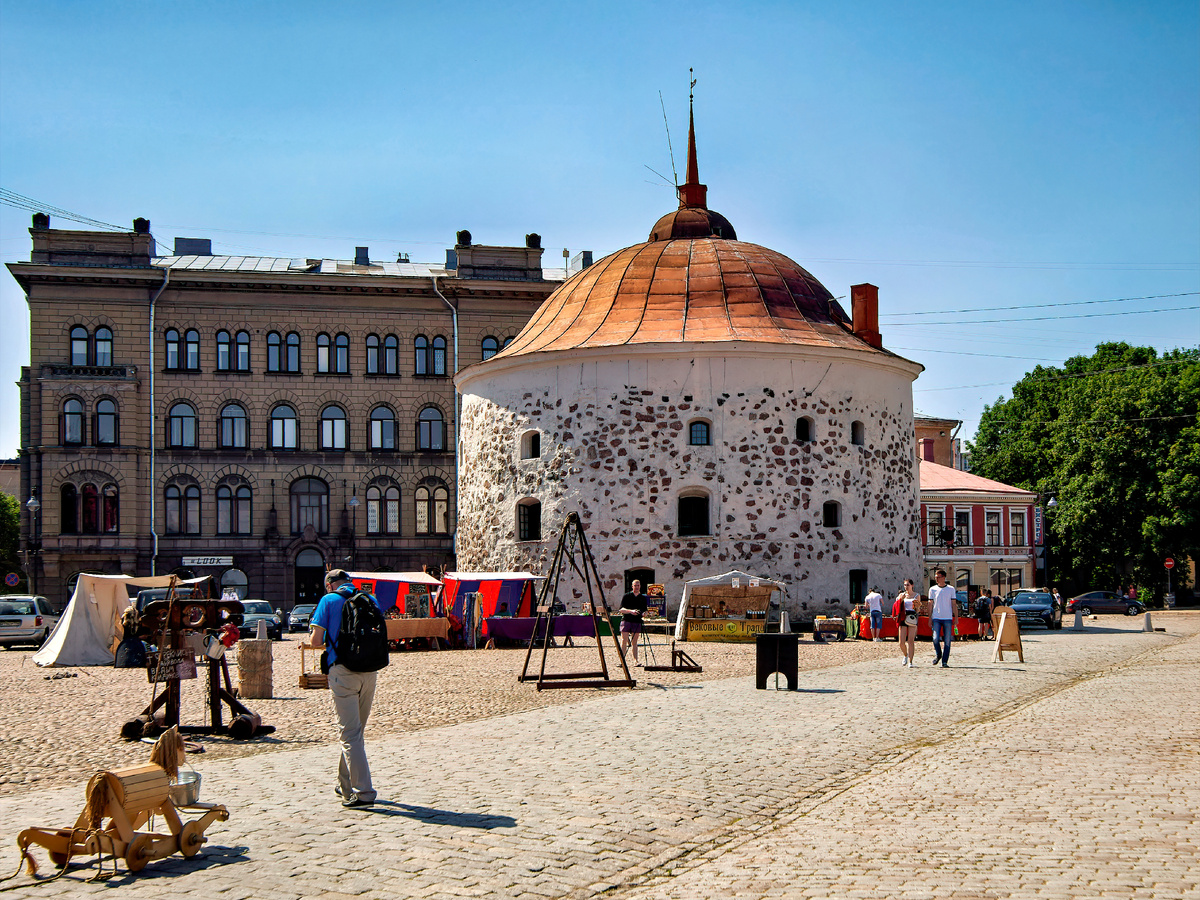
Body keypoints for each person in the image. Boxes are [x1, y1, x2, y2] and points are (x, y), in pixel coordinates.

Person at [302, 569, 378, 809]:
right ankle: (343, 782)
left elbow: (316, 641)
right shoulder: (370, 598)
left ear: (329, 585)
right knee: (356, 732)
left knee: (350, 734)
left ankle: (364, 792)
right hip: (370, 670)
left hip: (343, 671)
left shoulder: (329, 600)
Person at [929, 568, 958, 668]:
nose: (937, 579)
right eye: (936, 577)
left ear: (944, 577)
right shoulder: (932, 589)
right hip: (936, 617)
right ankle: (938, 654)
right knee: (935, 638)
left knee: (947, 640)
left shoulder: (951, 589)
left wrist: (956, 617)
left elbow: (954, 604)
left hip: (947, 617)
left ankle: (944, 661)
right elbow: (930, 604)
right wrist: (930, 618)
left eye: (938, 577)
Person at [618, 580, 648, 665]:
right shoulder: (627, 596)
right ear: (632, 586)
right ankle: (622, 660)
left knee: (634, 642)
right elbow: (621, 609)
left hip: (637, 621)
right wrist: (631, 611)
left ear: (640, 586)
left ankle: (636, 661)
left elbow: (645, 610)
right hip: (626, 620)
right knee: (624, 640)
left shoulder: (642, 598)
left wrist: (644, 614)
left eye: (638, 585)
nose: (637, 587)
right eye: (635, 585)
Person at [896, 579, 919, 667]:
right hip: (903, 616)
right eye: (905, 585)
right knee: (901, 642)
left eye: (908, 585)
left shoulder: (916, 595)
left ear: (912, 585)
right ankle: (905, 655)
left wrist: (917, 605)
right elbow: (897, 606)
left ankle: (911, 661)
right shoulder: (901, 595)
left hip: (912, 616)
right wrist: (901, 600)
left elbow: (917, 610)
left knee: (910, 641)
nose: (906, 587)